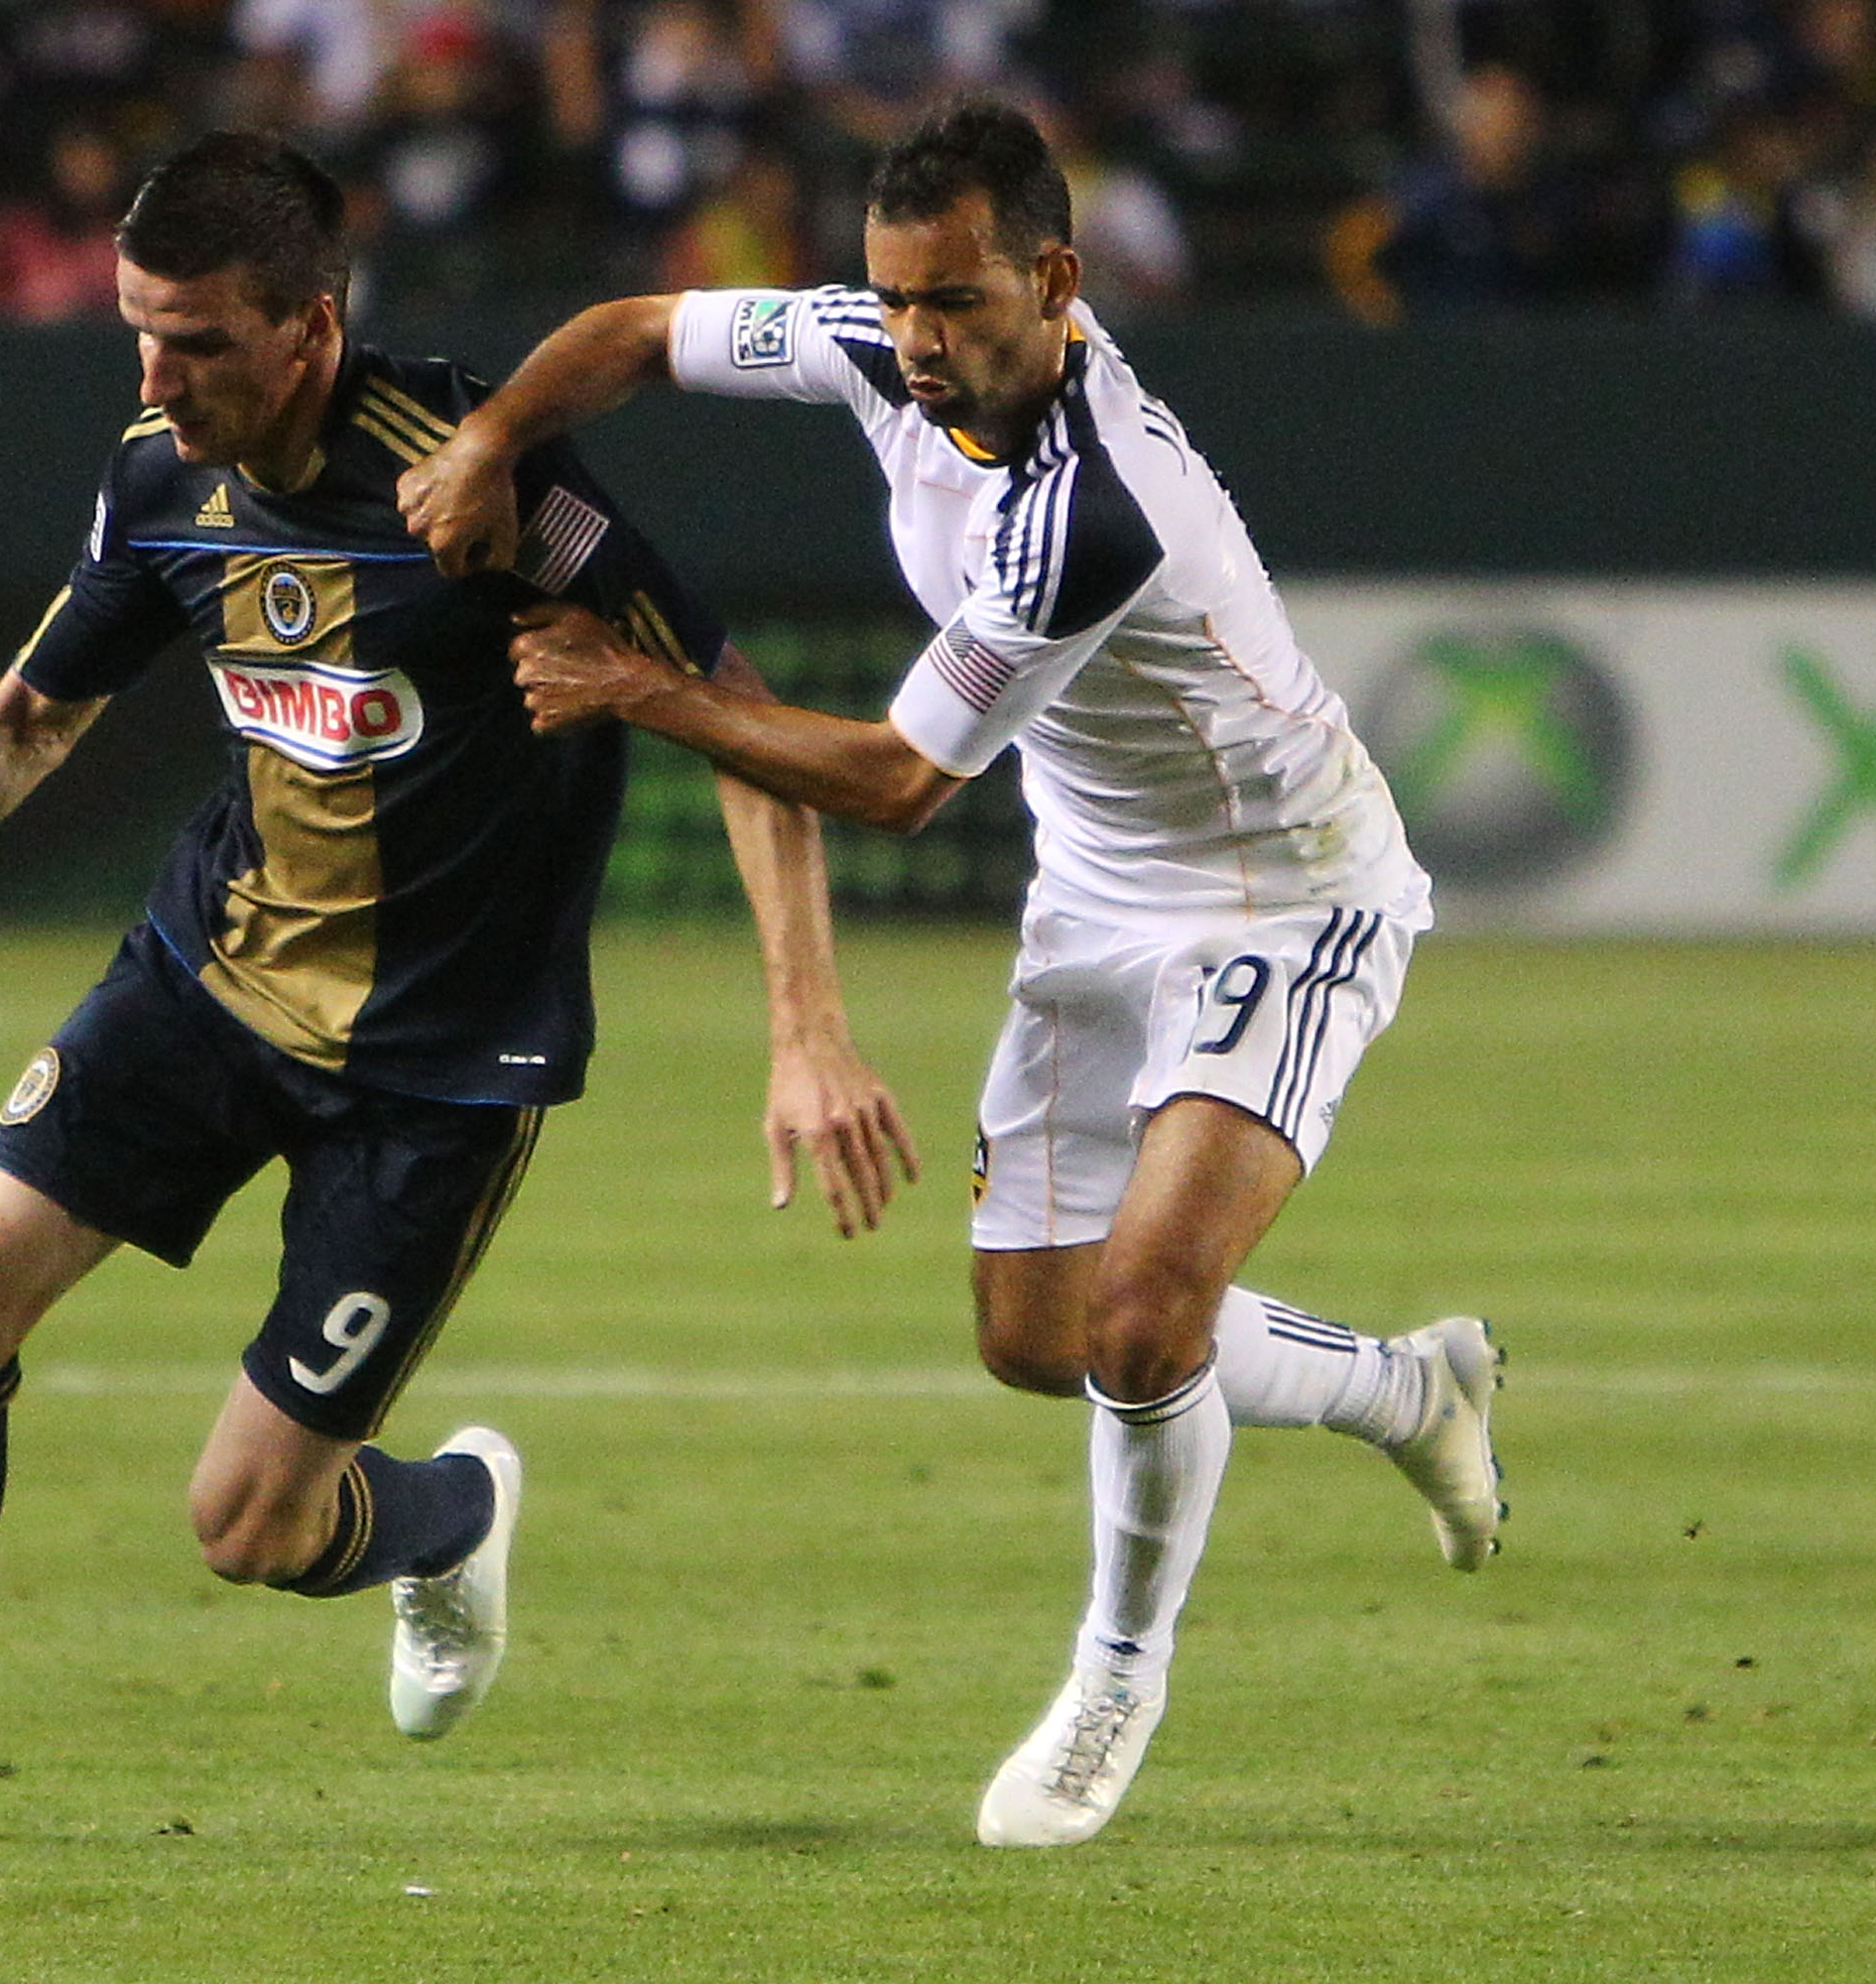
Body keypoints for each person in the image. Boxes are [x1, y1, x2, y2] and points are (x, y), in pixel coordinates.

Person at [0, 130, 907, 1845]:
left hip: (441, 1065)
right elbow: (37, 711)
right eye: (140, 330)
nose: (157, 373)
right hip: (211, 976)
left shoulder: (483, 475)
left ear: (311, 326)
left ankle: (446, 1520)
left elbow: (733, 717)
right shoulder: (157, 476)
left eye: (198, 340)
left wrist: (808, 1030)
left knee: (252, 1530)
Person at [398, 97, 1503, 1850]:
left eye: (957, 304)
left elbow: (902, 785)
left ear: (1055, 280)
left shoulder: (1093, 505)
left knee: (1144, 1322)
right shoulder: (870, 345)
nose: (916, 340)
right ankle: (1399, 1386)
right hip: (1094, 896)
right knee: (1036, 1337)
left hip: (1279, 898)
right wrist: (493, 442)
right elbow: (629, 334)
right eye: (895, 299)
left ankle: (1113, 1680)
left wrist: (640, 689)